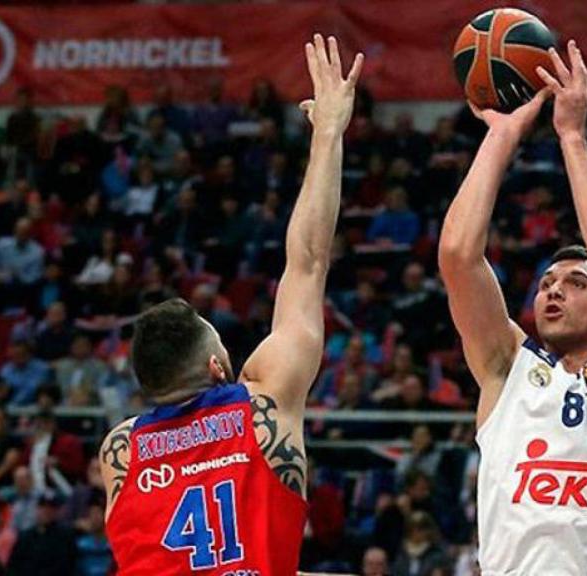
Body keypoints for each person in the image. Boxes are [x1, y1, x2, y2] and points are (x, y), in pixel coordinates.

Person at [99, 35, 363, 576]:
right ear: (219, 367)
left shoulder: (119, 451)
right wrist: (328, 134)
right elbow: (308, 262)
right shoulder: (265, 406)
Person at [437, 41, 587, 574]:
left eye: (575, 283)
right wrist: (501, 137)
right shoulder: (505, 369)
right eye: (546, 283)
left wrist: (572, 137)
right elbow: (457, 256)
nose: (554, 291)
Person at [6, 491, 77, 576]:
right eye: (42, 506)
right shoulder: (25, 536)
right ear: (37, 509)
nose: (46, 511)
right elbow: (13, 565)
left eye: (51, 508)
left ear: (57, 511)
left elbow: (65, 567)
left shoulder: (65, 536)